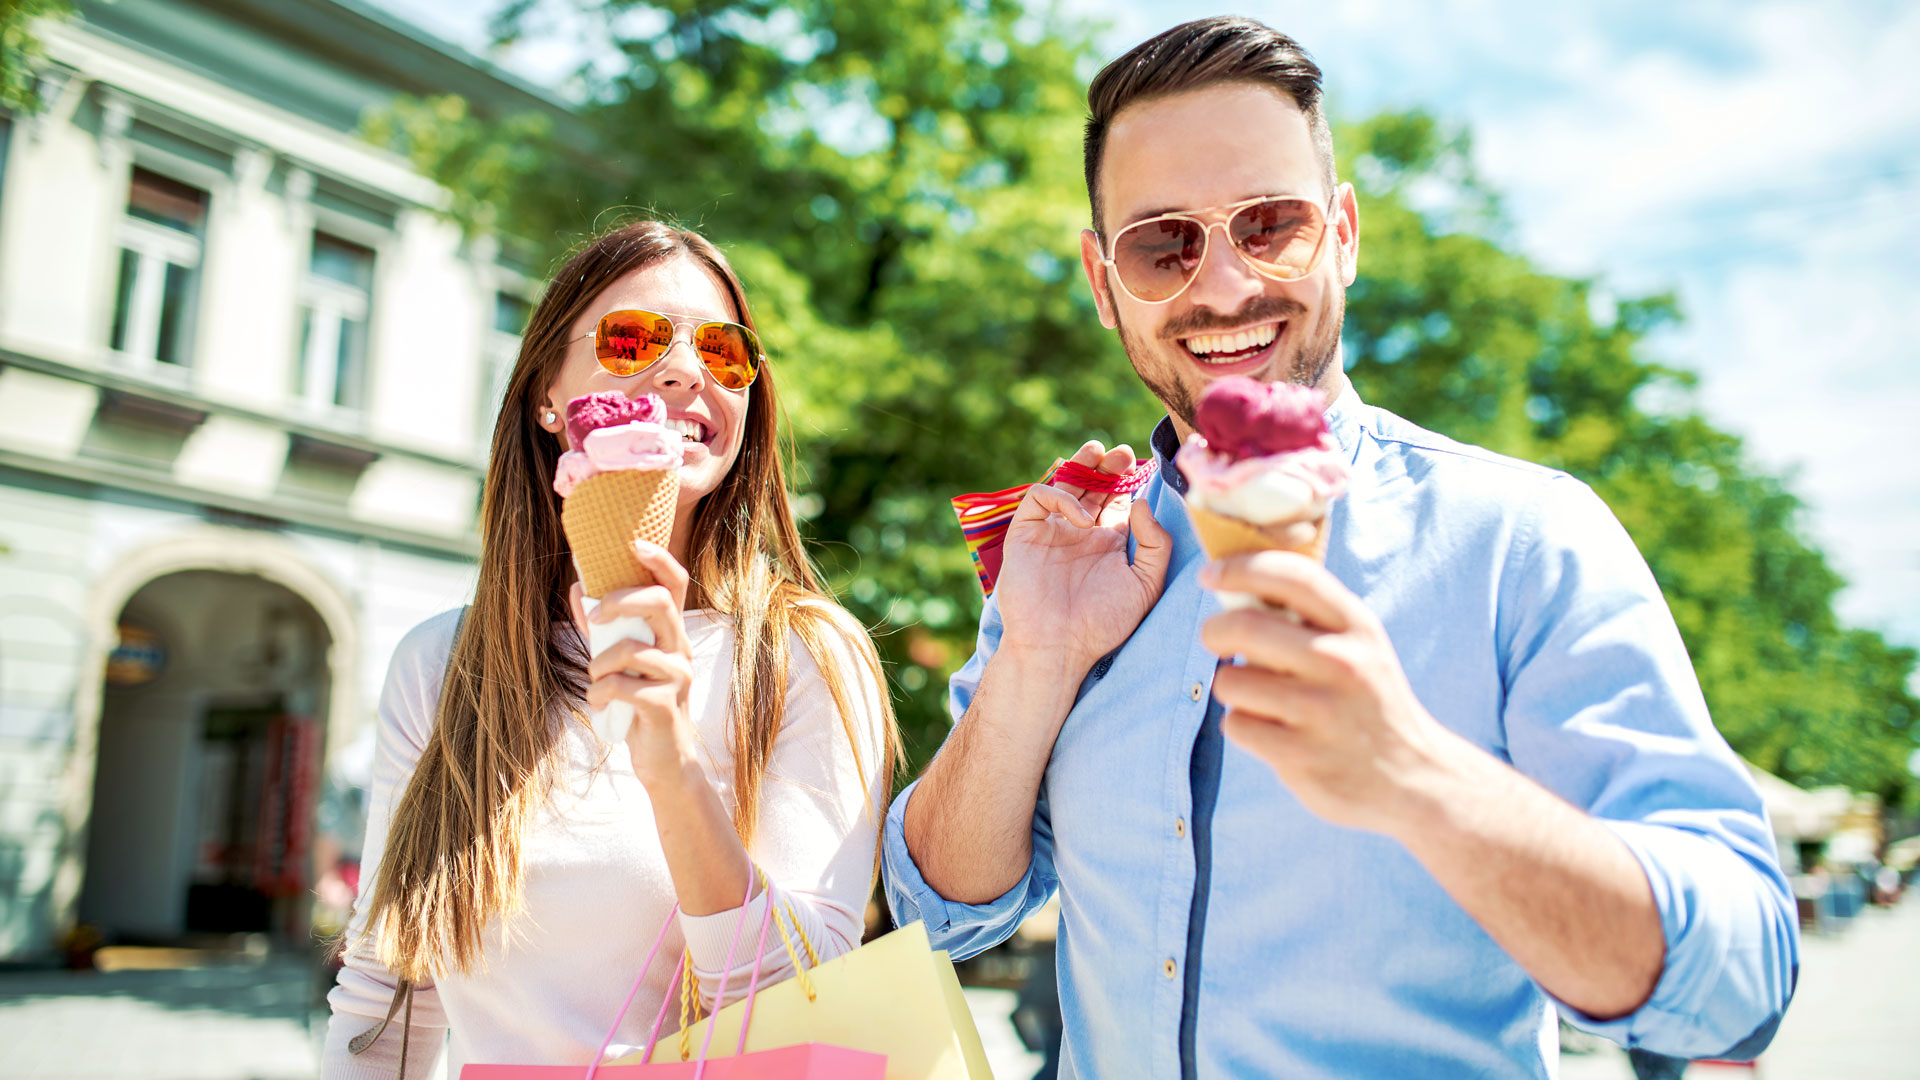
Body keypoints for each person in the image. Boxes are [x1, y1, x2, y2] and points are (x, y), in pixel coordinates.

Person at [884, 17, 1798, 1079]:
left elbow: (1739, 989)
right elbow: (939, 917)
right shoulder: (1072, 563)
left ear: (1346, 235)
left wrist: (1418, 777)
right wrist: (1036, 660)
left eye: (1270, 224)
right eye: (1164, 244)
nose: (1223, 287)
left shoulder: (1522, 539)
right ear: (1103, 283)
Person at [322, 221, 898, 1077]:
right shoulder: (443, 667)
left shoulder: (803, 656)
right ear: (547, 395)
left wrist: (671, 768)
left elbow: (795, 1009)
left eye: (724, 352)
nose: (684, 369)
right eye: (633, 341)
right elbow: (386, 1002)